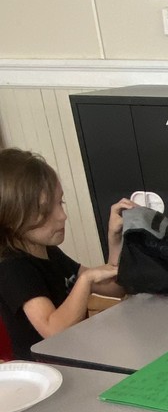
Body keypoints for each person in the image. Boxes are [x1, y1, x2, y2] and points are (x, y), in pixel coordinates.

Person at [0, 148, 133, 360]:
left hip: (74, 358)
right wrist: (85, 281)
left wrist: (114, 239)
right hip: (46, 374)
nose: (62, 216)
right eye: (45, 211)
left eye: (60, 202)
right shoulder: (12, 268)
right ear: (11, 217)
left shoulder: (48, 251)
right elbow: (52, 330)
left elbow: (117, 287)